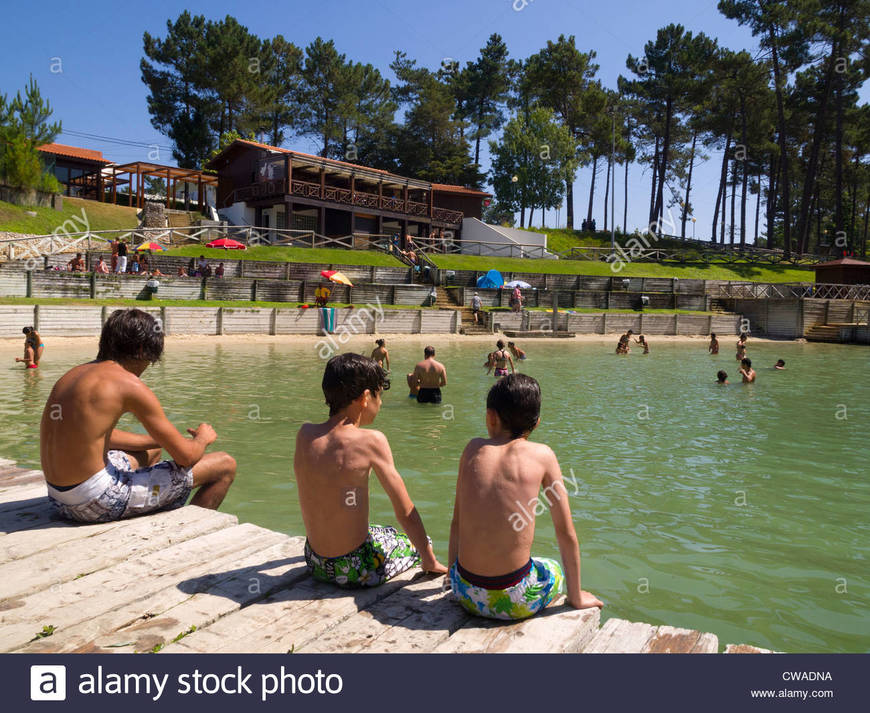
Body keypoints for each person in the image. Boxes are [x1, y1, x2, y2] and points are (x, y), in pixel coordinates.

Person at [40, 308, 236, 523]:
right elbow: (187, 457)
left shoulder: (71, 376)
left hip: (59, 498)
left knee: (152, 450)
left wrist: (158, 441)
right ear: (142, 350)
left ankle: (149, 503)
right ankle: (183, 529)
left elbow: (90, 435)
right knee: (225, 465)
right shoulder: (129, 384)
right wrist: (202, 439)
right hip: (96, 503)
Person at [448, 374, 603, 620]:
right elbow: (565, 532)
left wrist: (452, 581)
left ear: (490, 417)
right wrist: (576, 596)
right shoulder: (543, 455)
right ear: (537, 422)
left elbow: (456, 523)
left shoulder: (471, 449)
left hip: (465, 592)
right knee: (552, 568)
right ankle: (572, 593)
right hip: (514, 602)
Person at [294, 353, 446, 587]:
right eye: (379, 396)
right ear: (365, 397)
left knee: (380, 530)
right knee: (419, 541)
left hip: (315, 561)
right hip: (356, 569)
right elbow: (405, 511)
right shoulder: (372, 440)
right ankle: (426, 558)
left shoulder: (305, 434)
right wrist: (429, 559)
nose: (381, 403)